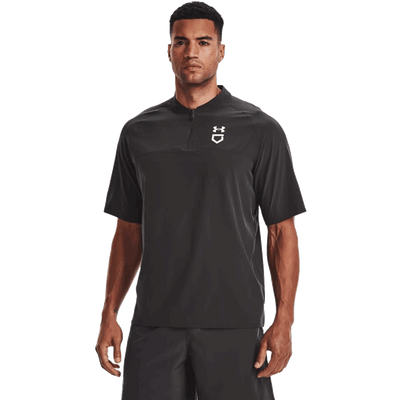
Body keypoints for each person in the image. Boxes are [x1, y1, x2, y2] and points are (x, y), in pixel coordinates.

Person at [95, 2, 307, 399]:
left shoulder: (260, 130)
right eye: (181, 42)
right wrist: (109, 312)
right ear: (169, 50)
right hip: (155, 324)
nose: (191, 52)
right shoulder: (138, 132)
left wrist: (283, 321)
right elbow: (128, 231)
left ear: (221, 51)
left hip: (234, 323)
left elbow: (282, 230)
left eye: (204, 42)